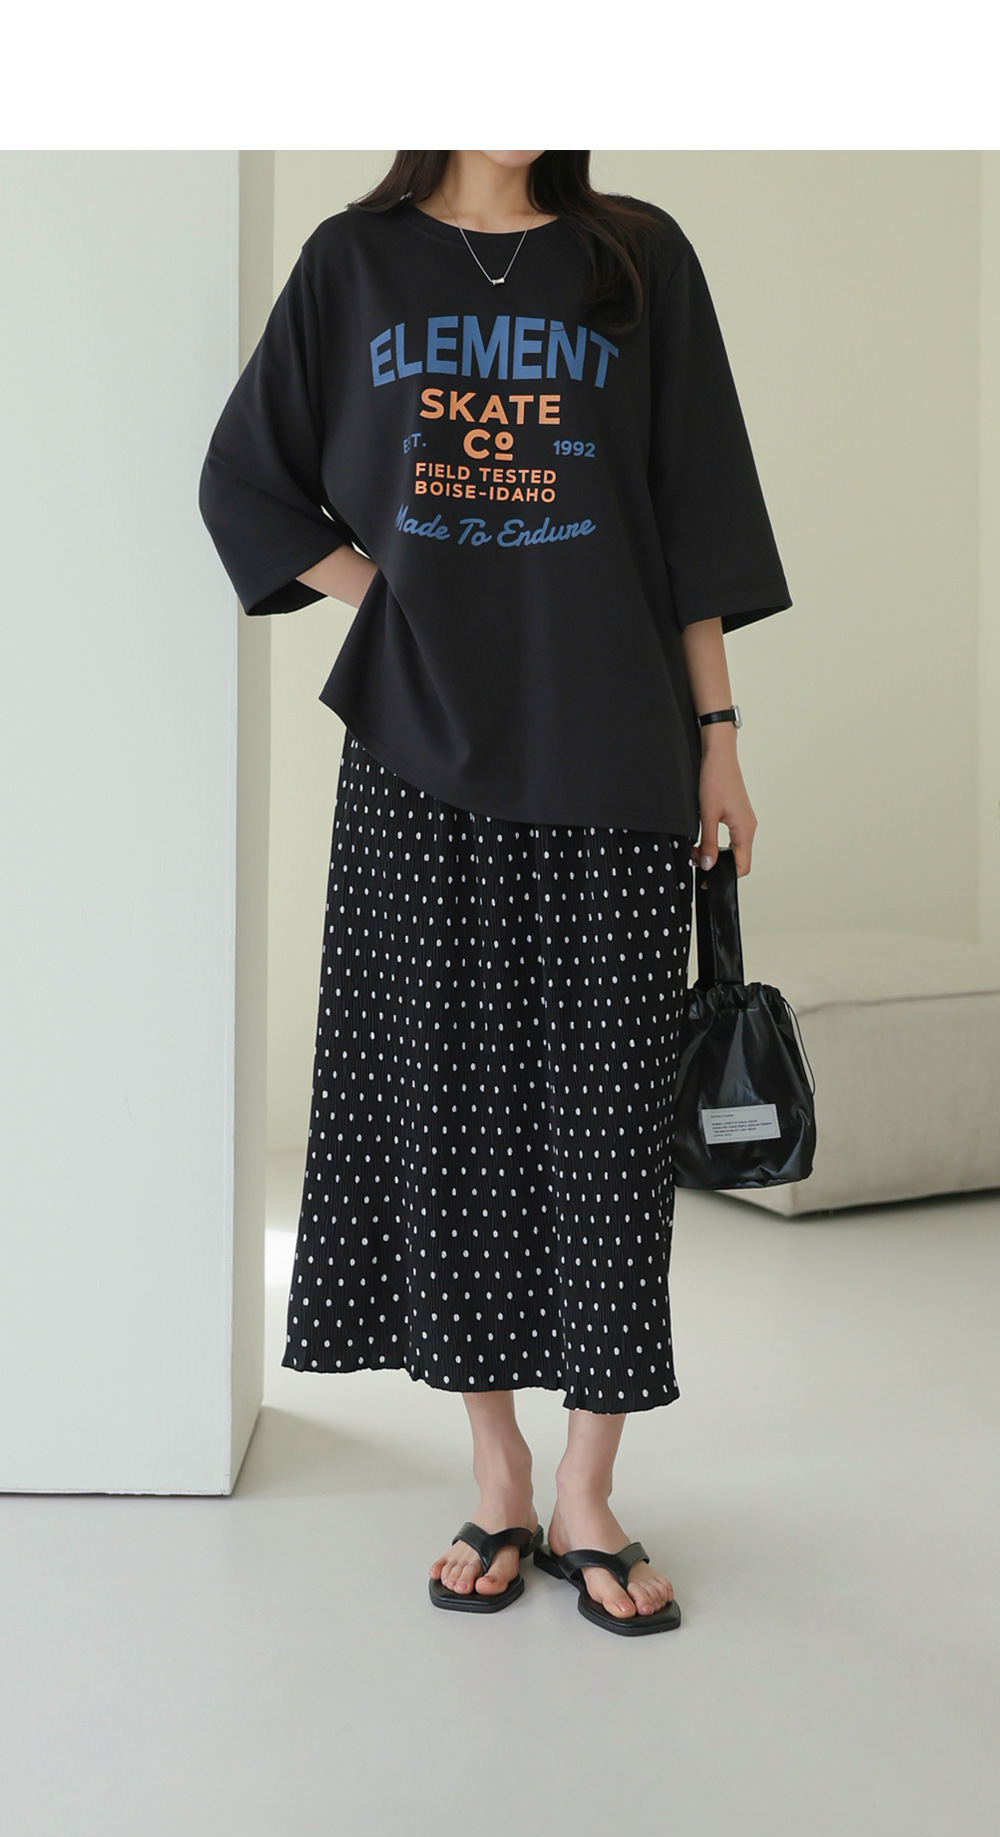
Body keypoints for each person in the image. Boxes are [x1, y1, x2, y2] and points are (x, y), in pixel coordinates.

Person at [199, 149, 792, 1637]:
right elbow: (245, 476)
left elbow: (693, 510)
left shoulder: (636, 254)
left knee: (605, 1122)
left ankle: (591, 1486)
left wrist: (720, 737)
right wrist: (391, 591)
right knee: (450, 1111)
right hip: (422, 752)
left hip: (615, 741)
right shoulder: (353, 263)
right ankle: (499, 1470)